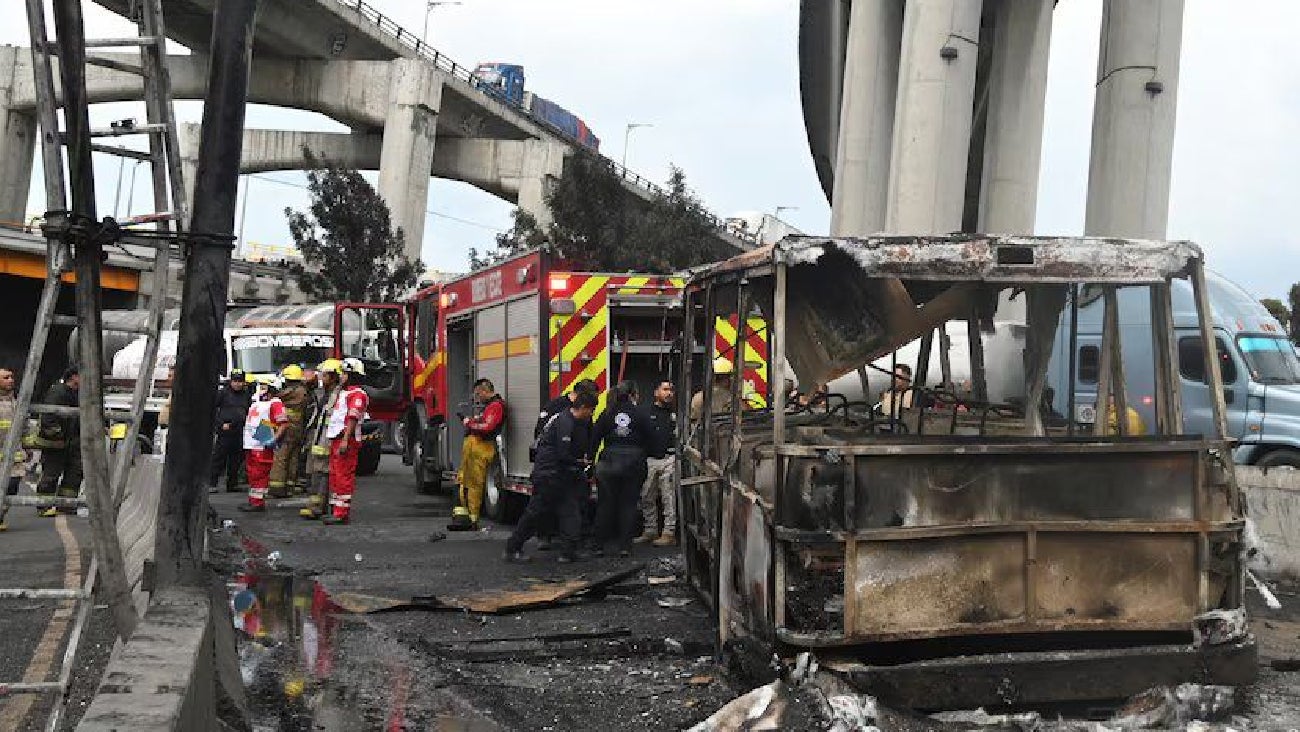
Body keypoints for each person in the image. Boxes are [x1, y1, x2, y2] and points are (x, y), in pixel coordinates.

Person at [504, 391, 598, 563]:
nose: (591, 414)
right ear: (583, 407)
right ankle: (513, 548)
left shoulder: (571, 421)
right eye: (591, 410)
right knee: (536, 513)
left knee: (570, 512)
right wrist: (580, 463)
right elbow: (563, 453)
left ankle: (568, 552)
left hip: (561, 474)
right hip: (549, 474)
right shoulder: (565, 422)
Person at [593, 381, 660, 557]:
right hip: (634, 463)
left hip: (608, 463)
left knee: (605, 504)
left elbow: (594, 438)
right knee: (628, 505)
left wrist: (591, 462)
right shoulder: (641, 413)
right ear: (633, 395)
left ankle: (599, 545)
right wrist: (646, 453)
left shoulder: (607, 413)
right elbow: (653, 439)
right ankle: (624, 547)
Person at [322, 358, 369, 525]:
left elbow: (352, 418)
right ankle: (336, 509)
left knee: (343, 476)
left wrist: (345, 440)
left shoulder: (357, 394)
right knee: (336, 475)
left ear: (352, 375)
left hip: (346, 440)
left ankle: (341, 513)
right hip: (338, 438)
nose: (341, 376)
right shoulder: (344, 393)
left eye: (344, 374)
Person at [454, 378, 505, 529]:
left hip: (482, 447)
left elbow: (487, 427)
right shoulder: (490, 406)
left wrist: (468, 422)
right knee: (465, 481)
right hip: (475, 447)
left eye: (478, 394)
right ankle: (465, 517)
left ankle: (472, 518)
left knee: (474, 484)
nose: (477, 398)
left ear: (484, 391)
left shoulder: (495, 406)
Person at [299, 360, 343, 521]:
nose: (321, 378)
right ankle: (317, 505)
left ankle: (318, 507)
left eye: (324, 375)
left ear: (333, 377)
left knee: (323, 472)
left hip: (327, 438)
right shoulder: (323, 393)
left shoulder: (338, 395)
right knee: (315, 471)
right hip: (318, 437)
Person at [637, 379, 678, 546]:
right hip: (650, 459)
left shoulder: (676, 413)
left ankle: (669, 533)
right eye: (665, 389)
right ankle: (650, 530)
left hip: (669, 458)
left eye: (671, 390)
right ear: (656, 392)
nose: (669, 393)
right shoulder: (645, 412)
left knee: (669, 497)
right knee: (647, 496)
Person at [35, 367, 81, 517]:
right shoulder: (58, 392)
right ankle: (44, 506)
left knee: (74, 475)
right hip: (56, 443)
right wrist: (58, 436)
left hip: (73, 443)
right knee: (51, 474)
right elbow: (49, 418)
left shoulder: (78, 394)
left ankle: (66, 505)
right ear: (74, 377)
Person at [241, 377, 289, 513]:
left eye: (263, 387)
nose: (260, 389)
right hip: (251, 443)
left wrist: (273, 439)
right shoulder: (256, 402)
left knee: (259, 474)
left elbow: (283, 423)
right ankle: (254, 500)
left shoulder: (275, 403)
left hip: (262, 444)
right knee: (252, 474)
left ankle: (257, 502)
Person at [209, 369, 253, 494]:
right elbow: (212, 410)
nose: (237, 384)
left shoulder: (246, 394)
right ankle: (212, 483)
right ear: (231, 381)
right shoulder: (223, 393)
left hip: (240, 430)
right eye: (235, 381)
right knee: (219, 458)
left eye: (240, 381)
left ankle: (232, 484)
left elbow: (249, 410)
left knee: (236, 459)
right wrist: (220, 424)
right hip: (225, 430)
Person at [270, 364, 309, 497]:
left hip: (287, 429)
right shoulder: (303, 390)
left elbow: (278, 397)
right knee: (293, 458)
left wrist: (273, 390)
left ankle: (277, 488)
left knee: (281, 458)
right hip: (298, 428)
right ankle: (289, 486)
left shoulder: (293, 392)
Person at [0, 367, 28, 531]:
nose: (11, 380)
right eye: (6, 377)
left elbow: (24, 426)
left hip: (14, 457)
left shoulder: (16, 402)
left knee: (12, 486)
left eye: (11, 377)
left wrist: (27, 447)